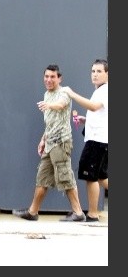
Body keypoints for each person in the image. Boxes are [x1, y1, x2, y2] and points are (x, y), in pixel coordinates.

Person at [13, 63, 86, 222]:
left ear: (59, 78)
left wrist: (49, 105)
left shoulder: (64, 92)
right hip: (50, 142)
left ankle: (78, 213)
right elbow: (50, 122)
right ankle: (33, 212)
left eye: (53, 77)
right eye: (46, 76)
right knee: (42, 178)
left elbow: (60, 106)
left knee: (65, 176)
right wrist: (42, 140)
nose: (49, 79)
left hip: (61, 142)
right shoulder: (47, 94)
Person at [62, 58, 108, 222]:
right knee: (102, 178)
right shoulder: (100, 91)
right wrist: (85, 120)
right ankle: (93, 213)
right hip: (100, 139)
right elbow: (102, 115)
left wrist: (72, 94)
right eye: (93, 71)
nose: (95, 75)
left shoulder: (104, 91)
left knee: (91, 177)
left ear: (107, 74)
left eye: (99, 71)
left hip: (97, 141)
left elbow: (94, 107)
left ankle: (93, 214)